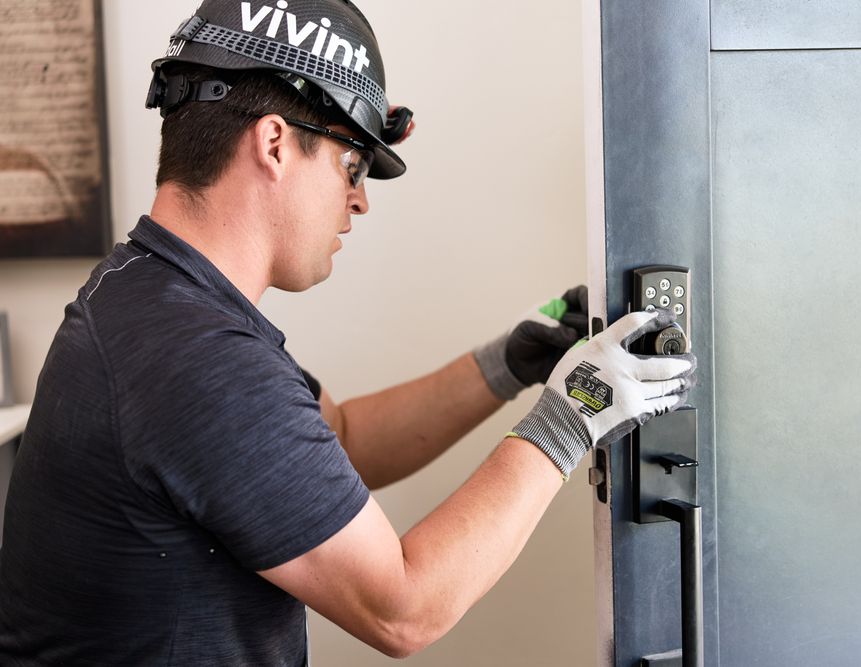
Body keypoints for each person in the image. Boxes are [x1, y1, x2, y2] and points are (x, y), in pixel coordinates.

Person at [0, 1, 696, 664]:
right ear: (275, 144)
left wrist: (505, 364)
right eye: (351, 166)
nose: (358, 200)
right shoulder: (198, 357)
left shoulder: (148, 292)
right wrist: (572, 417)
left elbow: (341, 438)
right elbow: (404, 607)